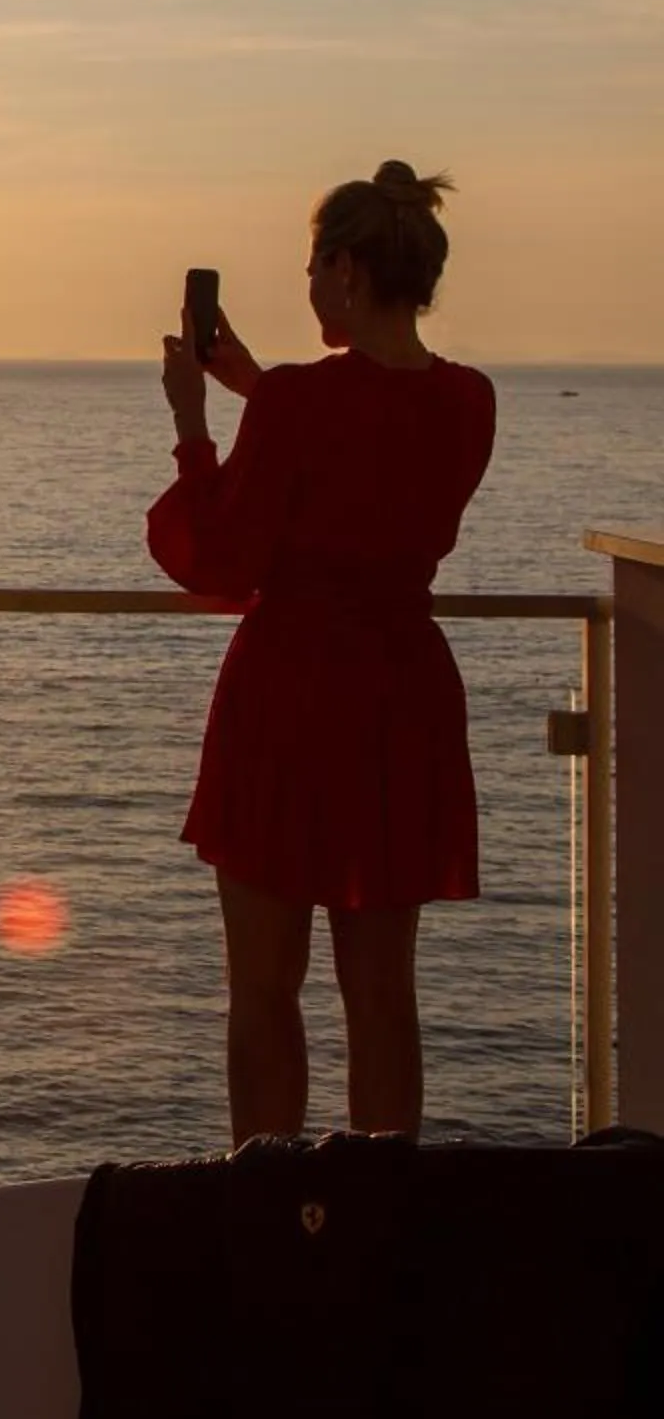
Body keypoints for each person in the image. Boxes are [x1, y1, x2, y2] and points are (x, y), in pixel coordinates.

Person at [149, 161, 496, 1146]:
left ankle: (268, 1209)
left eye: (311, 269)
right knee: (382, 995)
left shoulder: (296, 407)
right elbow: (364, 462)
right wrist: (259, 388)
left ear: (344, 269)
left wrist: (192, 423)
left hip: (290, 699)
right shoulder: (468, 402)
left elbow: (222, 555)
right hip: (399, 701)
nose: (305, 289)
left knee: (264, 993)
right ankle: (377, 1221)